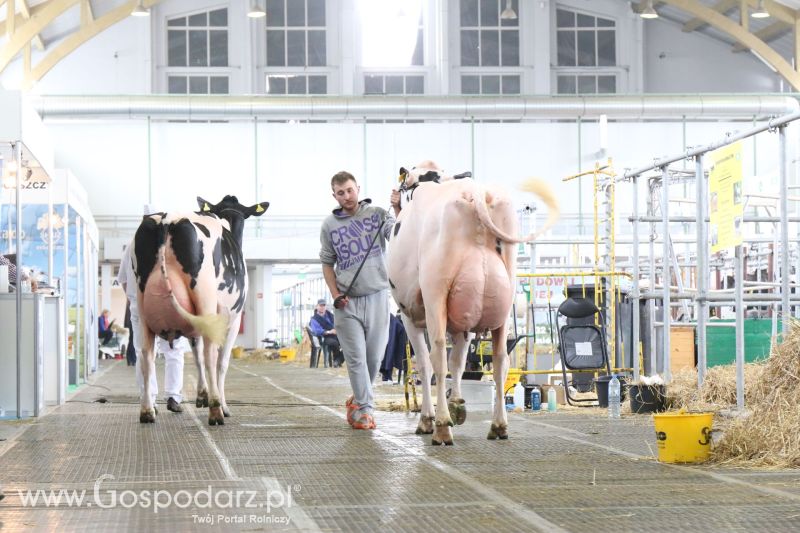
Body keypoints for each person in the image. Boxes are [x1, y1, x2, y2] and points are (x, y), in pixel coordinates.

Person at [320, 171, 395, 430]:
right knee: (356, 360)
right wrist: (335, 294)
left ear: (358, 189)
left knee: (374, 359)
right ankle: (365, 410)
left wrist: (397, 207)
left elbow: (395, 234)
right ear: (334, 195)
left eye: (350, 190)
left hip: (377, 296)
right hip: (346, 302)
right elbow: (327, 262)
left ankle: (357, 399)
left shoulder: (376, 214)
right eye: (341, 193)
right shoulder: (329, 225)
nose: (347, 196)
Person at [117, 208, 185, 414]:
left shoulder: (133, 246)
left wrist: (134, 300)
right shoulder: (174, 245)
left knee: (144, 353)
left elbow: (123, 280)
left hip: (141, 309)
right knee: (174, 351)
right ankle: (173, 396)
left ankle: (149, 399)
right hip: (170, 308)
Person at [308, 299, 341, 368]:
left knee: (347, 343)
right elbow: (316, 331)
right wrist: (329, 332)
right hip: (323, 338)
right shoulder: (314, 319)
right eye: (320, 305)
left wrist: (337, 329)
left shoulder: (330, 315)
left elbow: (337, 324)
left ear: (326, 307)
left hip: (335, 335)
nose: (322, 307)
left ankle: (338, 360)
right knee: (334, 343)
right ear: (317, 306)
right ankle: (337, 360)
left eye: (324, 305)